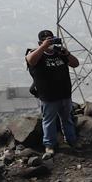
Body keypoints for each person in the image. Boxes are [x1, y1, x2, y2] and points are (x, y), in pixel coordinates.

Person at [25, 29, 80, 160]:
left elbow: (75, 64)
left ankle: (72, 140)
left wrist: (66, 53)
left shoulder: (59, 53)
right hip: (48, 96)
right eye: (47, 40)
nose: (50, 43)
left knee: (67, 119)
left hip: (65, 94)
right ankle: (49, 146)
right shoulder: (35, 54)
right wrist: (43, 47)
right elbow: (30, 61)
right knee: (48, 121)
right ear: (40, 42)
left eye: (52, 39)